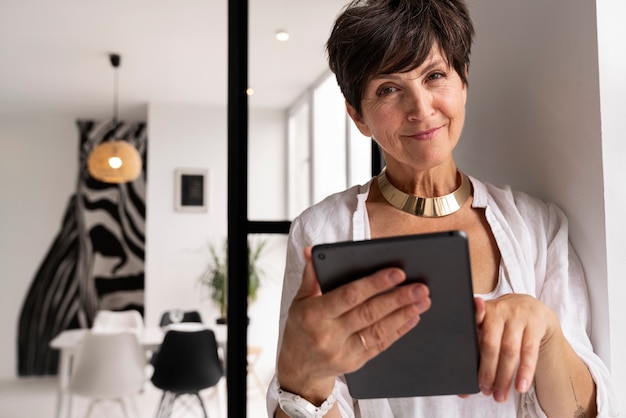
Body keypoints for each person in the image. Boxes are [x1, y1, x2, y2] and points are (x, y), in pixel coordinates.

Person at [266, 0, 617, 416]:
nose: (421, 108)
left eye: (434, 76)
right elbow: (305, 399)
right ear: (358, 116)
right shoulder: (321, 232)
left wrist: (546, 332)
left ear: (463, 80)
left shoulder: (536, 227)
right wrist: (299, 378)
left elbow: (591, 411)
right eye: (389, 89)